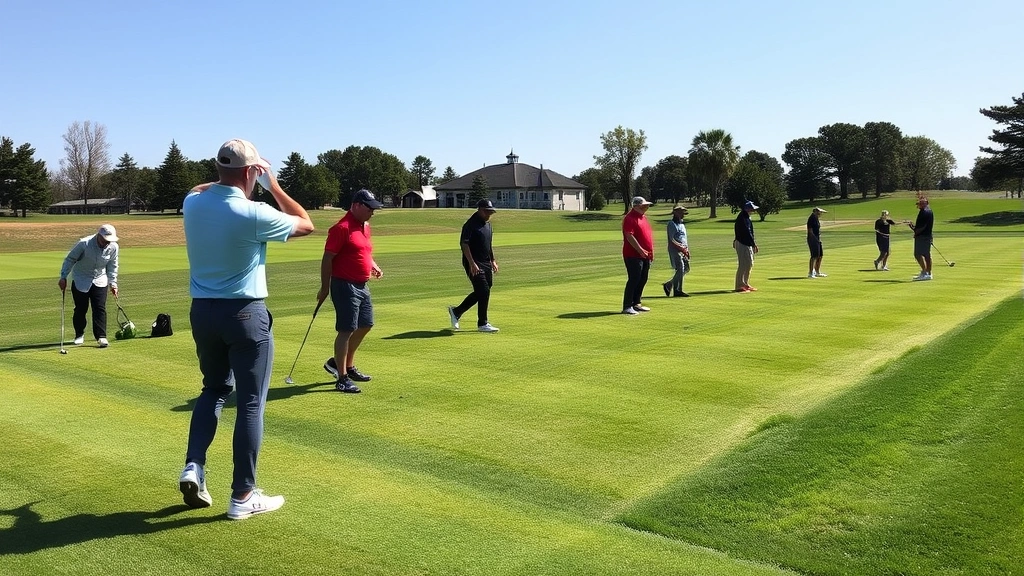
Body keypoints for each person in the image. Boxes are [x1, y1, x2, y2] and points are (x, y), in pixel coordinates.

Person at [179, 138, 314, 520]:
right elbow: (306, 224)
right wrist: (274, 186)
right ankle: (243, 495)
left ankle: (194, 465)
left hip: (202, 312)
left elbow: (198, 188)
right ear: (252, 171)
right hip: (244, 313)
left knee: (214, 389)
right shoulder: (253, 212)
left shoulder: (193, 203)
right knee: (251, 403)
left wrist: (227, 178)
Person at [319, 189, 385, 392]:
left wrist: (372, 264)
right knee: (346, 330)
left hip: (362, 284)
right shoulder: (341, 228)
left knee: (366, 324)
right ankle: (342, 377)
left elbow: (364, 251)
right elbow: (327, 258)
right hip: (344, 284)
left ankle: (345, 364)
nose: (372, 212)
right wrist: (324, 287)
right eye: (369, 208)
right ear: (356, 205)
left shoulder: (364, 226)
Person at [58, 224, 120, 348]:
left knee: (99, 308)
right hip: (81, 278)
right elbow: (70, 259)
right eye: (105, 239)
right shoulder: (84, 244)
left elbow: (113, 265)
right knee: (81, 309)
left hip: (100, 279)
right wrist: (63, 276)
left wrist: (113, 283)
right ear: (99, 236)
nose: (107, 242)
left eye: (110, 240)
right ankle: (79, 335)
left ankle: (101, 336)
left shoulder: (113, 247)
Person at [448, 198, 500, 332]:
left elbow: (488, 244)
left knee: (485, 290)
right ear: (480, 210)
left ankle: (457, 311)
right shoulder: (470, 225)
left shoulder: (488, 225)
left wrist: (493, 260)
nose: (489, 215)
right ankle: (482, 323)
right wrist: (472, 263)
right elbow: (464, 244)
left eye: (490, 212)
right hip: (473, 262)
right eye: (487, 212)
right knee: (483, 290)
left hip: (485, 261)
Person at [622, 196, 654, 314]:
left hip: (645, 255)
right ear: (636, 206)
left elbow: (647, 236)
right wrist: (640, 250)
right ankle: (627, 306)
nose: (647, 207)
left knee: (643, 279)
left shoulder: (643, 218)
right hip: (633, 255)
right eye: (644, 205)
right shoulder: (630, 218)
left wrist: (650, 253)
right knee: (634, 279)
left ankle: (636, 303)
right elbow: (629, 235)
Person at [662, 205, 690, 297]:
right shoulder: (671, 224)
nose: (683, 215)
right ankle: (678, 290)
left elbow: (684, 239)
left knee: (686, 268)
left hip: (683, 250)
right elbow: (672, 239)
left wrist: (686, 249)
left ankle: (669, 284)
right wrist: (681, 248)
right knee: (680, 268)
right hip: (675, 250)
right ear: (676, 213)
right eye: (681, 213)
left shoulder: (682, 224)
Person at [734, 200, 759, 292]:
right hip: (742, 243)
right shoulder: (743, 218)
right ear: (748, 209)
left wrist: (752, 243)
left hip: (746, 243)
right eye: (752, 209)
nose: (753, 211)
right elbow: (746, 233)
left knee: (749, 263)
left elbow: (750, 233)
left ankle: (745, 283)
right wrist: (753, 244)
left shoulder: (747, 217)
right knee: (743, 264)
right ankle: (739, 285)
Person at [908, 196, 934, 281]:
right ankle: (926, 272)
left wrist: (915, 230)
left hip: (923, 237)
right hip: (925, 236)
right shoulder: (926, 211)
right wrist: (913, 227)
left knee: (920, 254)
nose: (920, 204)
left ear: (926, 203)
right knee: (925, 254)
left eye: (922, 203)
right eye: (919, 203)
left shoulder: (925, 212)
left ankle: (926, 273)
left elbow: (922, 227)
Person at [806, 207, 828, 278]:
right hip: (813, 239)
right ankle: (810, 273)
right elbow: (810, 231)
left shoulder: (816, 219)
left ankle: (817, 272)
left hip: (817, 239)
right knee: (814, 256)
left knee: (820, 255)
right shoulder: (812, 219)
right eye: (820, 212)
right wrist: (815, 239)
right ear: (816, 212)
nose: (821, 214)